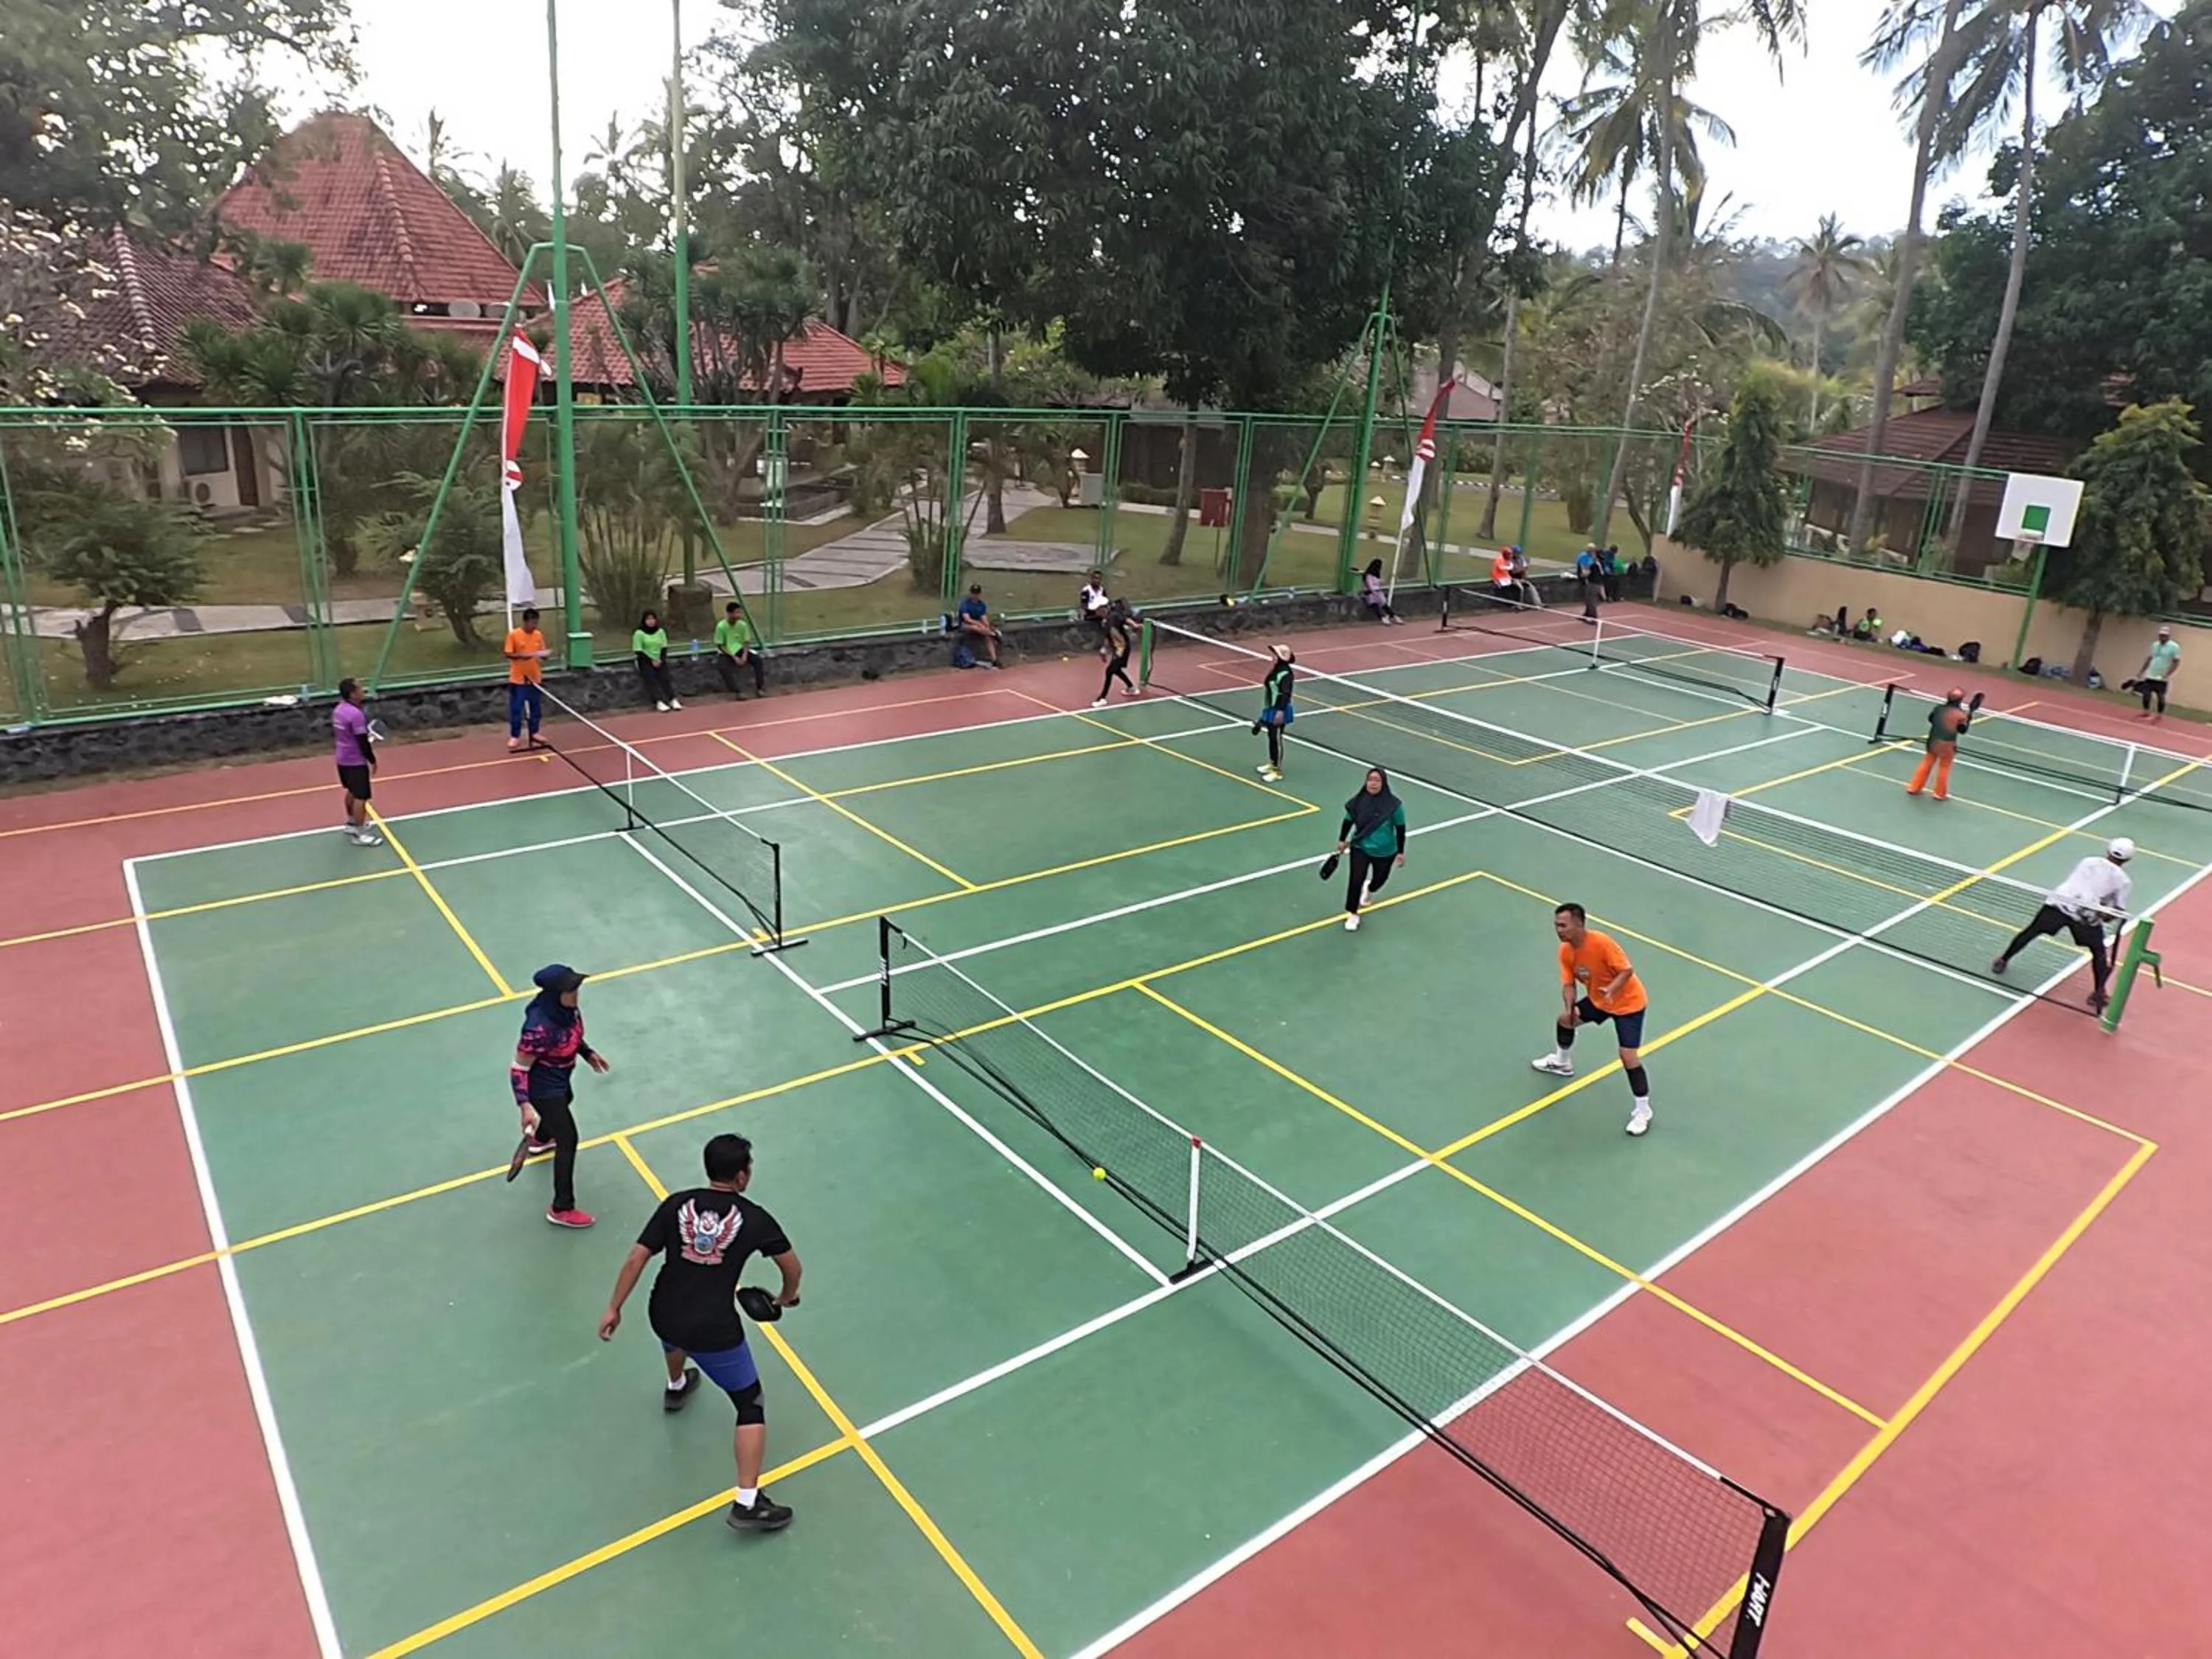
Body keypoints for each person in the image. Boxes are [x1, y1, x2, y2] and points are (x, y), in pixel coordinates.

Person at [599, 1133, 803, 1533]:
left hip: (663, 1308)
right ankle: (748, 1503)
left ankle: (676, 1385)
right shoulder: (755, 1218)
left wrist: (614, 1307)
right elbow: (792, 1267)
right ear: (742, 1175)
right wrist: (785, 1298)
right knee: (750, 1402)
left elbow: (637, 1255)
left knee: (674, 1335)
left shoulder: (678, 1205)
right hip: (713, 1326)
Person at [1532, 902, 1654, 1136]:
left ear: (1579, 924)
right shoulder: (1566, 950)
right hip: (1599, 1000)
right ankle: (1562, 1062)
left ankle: (1643, 1110)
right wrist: (1570, 1007)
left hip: (1629, 1004)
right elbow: (1568, 983)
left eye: (1563, 925)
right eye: (1556, 925)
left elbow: (1626, 971)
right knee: (1564, 1020)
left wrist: (1612, 990)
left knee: (1628, 1056)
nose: (1558, 930)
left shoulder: (1602, 943)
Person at [509, 963, 610, 1228]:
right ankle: (561, 1208)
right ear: (556, 993)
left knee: (566, 1101)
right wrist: (525, 1106)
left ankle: (540, 1140)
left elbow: (570, 1037)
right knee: (569, 1138)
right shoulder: (538, 1028)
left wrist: (588, 1053)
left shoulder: (567, 1010)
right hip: (543, 1089)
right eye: (571, 988)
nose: (576, 992)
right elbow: (519, 1068)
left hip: (560, 1079)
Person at [1991, 839, 2133, 1012]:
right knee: (2099, 953)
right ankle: (2098, 992)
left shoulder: (2088, 861)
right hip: (2085, 918)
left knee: (2032, 931)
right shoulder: (2124, 882)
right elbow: (2116, 912)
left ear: (2108, 850)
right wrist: (2103, 915)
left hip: (2059, 904)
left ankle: (2003, 959)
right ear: (2128, 860)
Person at [1335, 767, 1405, 932]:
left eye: (1377, 780)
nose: (1373, 783)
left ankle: (1370, 889)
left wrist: (1401, 852)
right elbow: (1348, 820)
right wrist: (1342, 840)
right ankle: (1352, 913)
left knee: (1379, 880)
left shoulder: (1394, 806)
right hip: (1361, 847)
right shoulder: (1359, 801)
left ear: (1384, 783)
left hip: (1386, 851)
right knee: (1355, 879)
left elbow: (1400, 829)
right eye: (1370, 780)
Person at [332, 678, 381, 846]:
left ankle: (351, 823)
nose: (363, 691)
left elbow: (349, 735)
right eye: (360, 689)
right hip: (355, 760)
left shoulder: (339, 710)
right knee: (361, 797)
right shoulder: (356, 714)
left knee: (351, 791)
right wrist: (372, 760)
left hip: (342, 758)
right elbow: (361, 741)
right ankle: (360, 834)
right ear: (353, 693)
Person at [1905, 687, 1971, 801]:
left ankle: (1914, 788)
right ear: (1960, 700)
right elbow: (1962, 731)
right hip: (1948, 745)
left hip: (1933, 742)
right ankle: (1939, 794)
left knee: (1926, 763)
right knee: (1944, 768)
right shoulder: (1961, 715)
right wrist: (1968, 721)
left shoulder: (1938, 709)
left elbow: (1931, 719)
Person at [503, 606, 549, 751]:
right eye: (532, 623)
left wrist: (544, 655)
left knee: (536, 708)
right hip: (518, 679)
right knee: (517, 708)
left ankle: (535, 732)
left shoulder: (538, 635)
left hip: (535, 678)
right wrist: (523, 656)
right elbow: (508, 654)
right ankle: (515, 736)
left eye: (536, 623)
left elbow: (542, 652)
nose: (534, 626)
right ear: (526, 622)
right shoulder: (514, 635)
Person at [1253, 644, 1295, 782]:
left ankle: (1277, 771)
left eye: (1275, 655)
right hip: (1270, 708)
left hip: (1279, 710)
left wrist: (1280, 711)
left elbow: (1285, 694)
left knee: (1277, 739)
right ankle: (1272, 763)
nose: (1273, 657)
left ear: (1281, 658)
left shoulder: (1286, 674)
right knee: (1272, 737)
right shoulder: (1276, 670)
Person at [713, 602, 767, 698]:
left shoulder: (742, 625)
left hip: (740, 649)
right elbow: (721, 645)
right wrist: (734, 658)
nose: (738, 615)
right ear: (729, 614)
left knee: (757, 660)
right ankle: (737, 691)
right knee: (723, 667)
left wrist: (744, 655)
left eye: (739, 613)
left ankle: (760, 688)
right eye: (736, 613)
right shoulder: (721, 626)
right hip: (727, 652)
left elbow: (746, 642)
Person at [1092, 603, 1139, 706]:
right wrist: (1104, 649)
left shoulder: (1114, 616)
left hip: (1123, 648)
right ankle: (1131, 688)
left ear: (1103, 609)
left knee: (1109, 671)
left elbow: (1125, 620)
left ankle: (1102, 698)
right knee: (1115, 670)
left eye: (1097, 610)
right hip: (1116, 650)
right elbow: (1107, 637)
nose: (1096, 612)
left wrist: (1135, 626)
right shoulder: (1104, 622)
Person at [634, 610, 681, 712]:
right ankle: (659, 701)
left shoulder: (660, 632)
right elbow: (638, 650)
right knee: (651, 679)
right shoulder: (639, 633)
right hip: (645, 661)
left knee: (665, 678)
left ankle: (672, 699)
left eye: (653, 619)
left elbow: (664, 647)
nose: (651, 621)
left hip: (659, 659)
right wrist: (651, 660)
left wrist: (660, 659)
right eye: (648, 619)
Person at [2135, 626, 2181, 722]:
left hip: (2162, 676)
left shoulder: (2174, 647)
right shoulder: (2155, 645)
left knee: (2161, 696)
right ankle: (2146, 711)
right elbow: (2150, 658)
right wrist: (2142, 671)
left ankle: (2159, 714)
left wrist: (2168, 674)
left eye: (2164, 636)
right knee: (2146, 693)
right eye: (2161, 635)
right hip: (2151, 673)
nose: (2162, 637)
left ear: (2168, 636)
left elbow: (2176, 662)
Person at [954, 583, 1003, 669]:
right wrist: (979, 624)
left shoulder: (981, 605)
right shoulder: (965, 604)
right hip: (965, 625)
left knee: (987, 637)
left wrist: (987, 626)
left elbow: (983, 618)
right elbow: (967, 619)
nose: (975, 595)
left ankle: (994, 659)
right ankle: (993, 634)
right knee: (975, 627)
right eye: (973, 593)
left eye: (977, 593)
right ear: (970, 594)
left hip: (980, 628)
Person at [1359, 559, 1400, 626]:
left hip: (1378, 592)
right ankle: (1383, 618)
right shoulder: (1368, 575)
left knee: (1384, 605)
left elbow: (1378, 583)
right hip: (1369, 593)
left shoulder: (1376, 576)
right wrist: (1374, 593)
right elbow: (1370, 585)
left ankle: (1394, 616)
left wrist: (1381, 582)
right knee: (1375, 606)